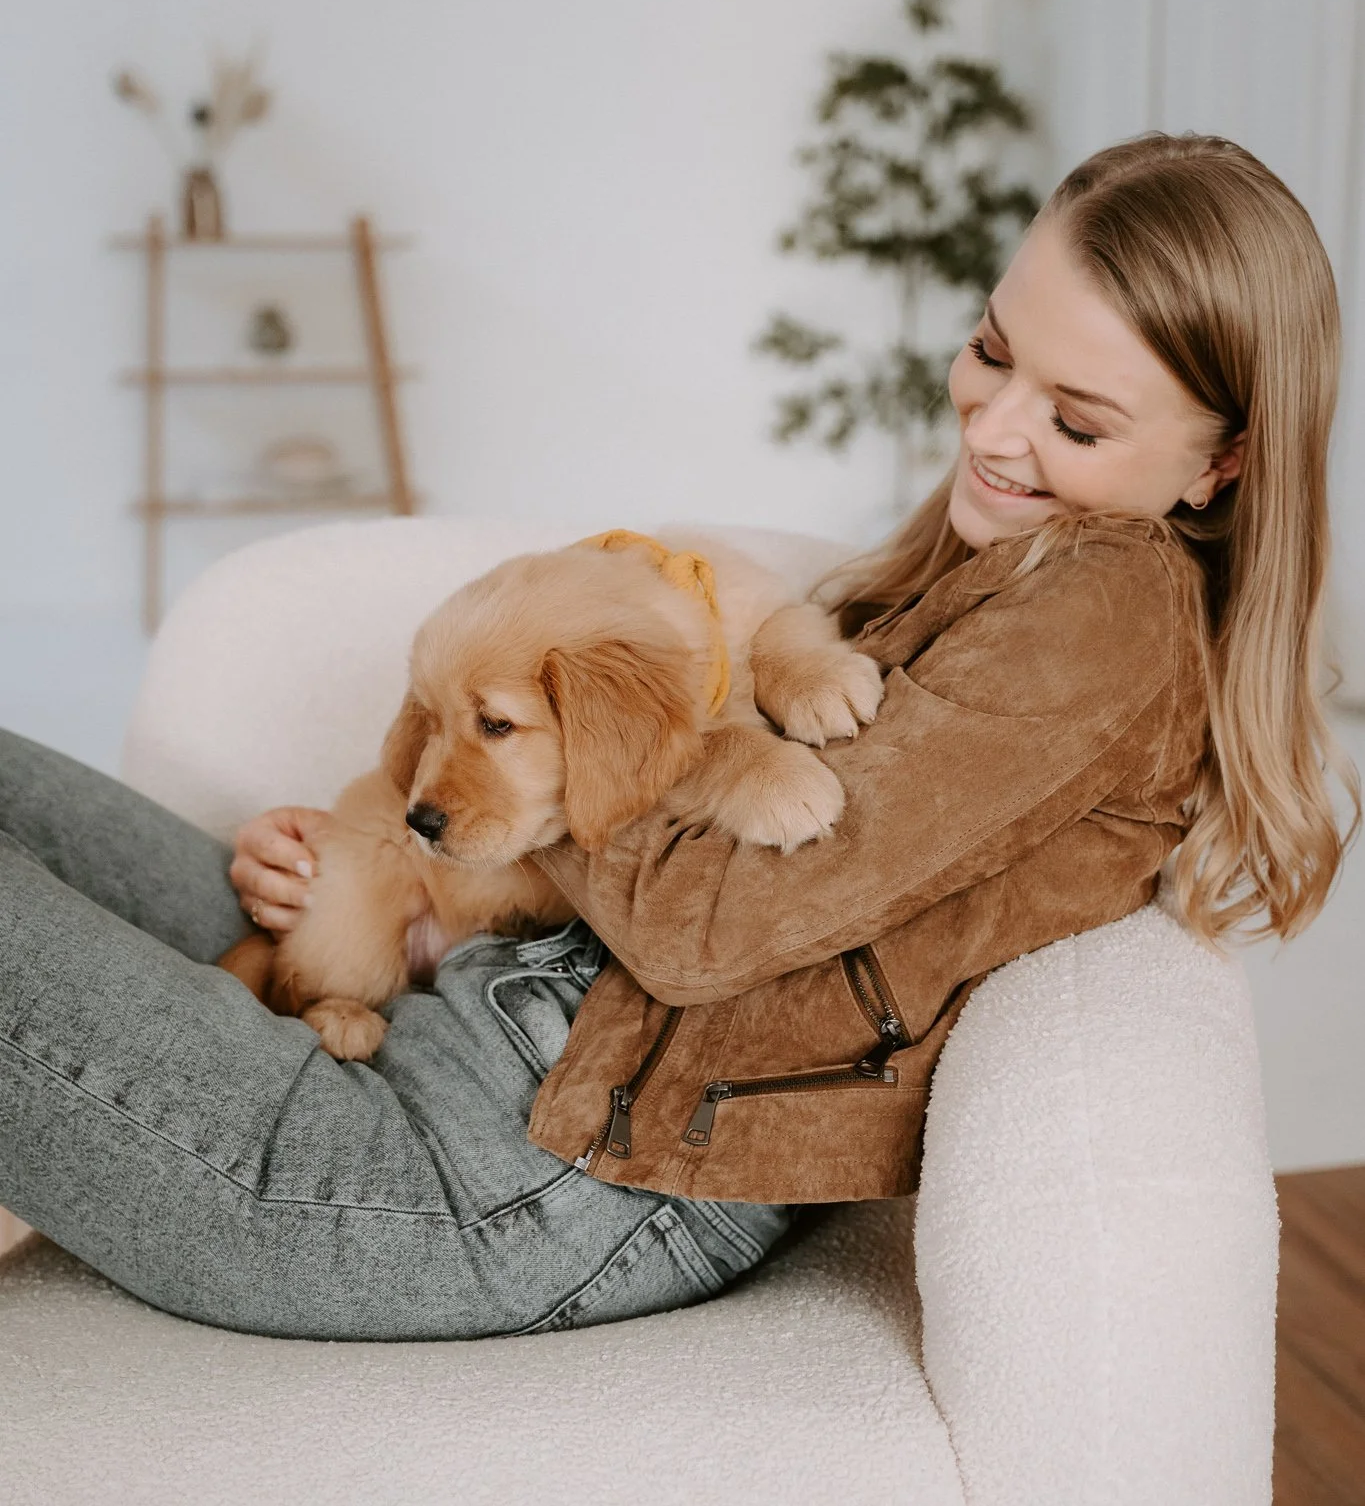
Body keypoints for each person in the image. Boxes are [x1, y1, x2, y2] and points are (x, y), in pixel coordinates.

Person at [1, 132, 1356, 1337]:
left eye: (1074, 418)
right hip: (454, 1016)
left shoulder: (1103, 609)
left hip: (499, 1176)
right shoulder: (990, 574)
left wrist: (532, 783)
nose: (993, 428)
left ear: (1220, 463)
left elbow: (708, 927)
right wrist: (393, 841)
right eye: (995, 350)